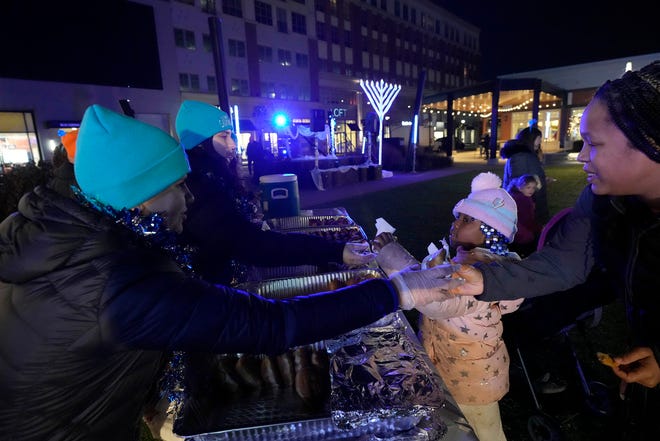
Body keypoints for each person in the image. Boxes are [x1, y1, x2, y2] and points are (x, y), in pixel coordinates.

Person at [0, 104, 462, 441]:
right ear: (140, 197)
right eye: (178, 186)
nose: (190, 197)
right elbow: (276, 325)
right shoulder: (116, 281)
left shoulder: (72, 237)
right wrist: (399, 291)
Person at [450, 61, 660, 440]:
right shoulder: (601, 201)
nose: (581, 157)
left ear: (651, 142)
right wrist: (482, 277)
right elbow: (563, 264)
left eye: (593, 144)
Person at [373, 172, 523, 441]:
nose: (456, 224)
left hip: (472, 382)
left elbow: (438, 299)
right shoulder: (462, 262)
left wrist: (394, 270)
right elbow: (428, 278)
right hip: (450, 370)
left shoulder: (481, 275)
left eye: (467, 220)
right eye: (458, 217)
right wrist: (394, 255)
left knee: (484, 433)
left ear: (490, 232)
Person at [175, 100, 374, 285]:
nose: (233, 144)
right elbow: (252, 245)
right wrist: (334, 251)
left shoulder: (212, 175)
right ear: (199, 142)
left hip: (232, 274)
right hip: (221, 285)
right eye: (223, 136)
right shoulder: (199, 185)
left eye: (231, 135)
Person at [500, 124, 550, 223]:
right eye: (539, 138)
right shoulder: (521, 156)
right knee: (527, 234)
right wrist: (530, 203)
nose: (540, 141)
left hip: (531, 202)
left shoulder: (527, 155)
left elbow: (529, 176)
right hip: (525, 206)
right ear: (530, 139)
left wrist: (542, 180)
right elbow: (519, 183)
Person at [506, 174, 543, 257]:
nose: (531, 190)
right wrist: (539, 228)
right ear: (520, 188)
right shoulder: (523, 200)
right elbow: (527, 220)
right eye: (528, 187)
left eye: (533, 188)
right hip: (520, 233)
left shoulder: (515, 196)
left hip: (510, 231)